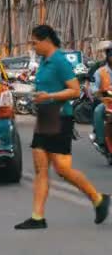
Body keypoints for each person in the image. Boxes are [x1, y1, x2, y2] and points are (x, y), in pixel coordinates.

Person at [15, 25, 110, 230]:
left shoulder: (59, 61)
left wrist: (49, 96)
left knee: (62, 169)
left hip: (60, 118)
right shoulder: (43, 62)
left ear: (46, 40)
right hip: (45, 117)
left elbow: (75, 91)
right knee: (41, 168)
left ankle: (98, 198)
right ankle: (37, 216)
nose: (33, 46)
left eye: (35, 42)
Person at [90, 41, 112, 149]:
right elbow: (93, 85)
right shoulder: (100, 71)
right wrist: (96, 91)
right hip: (107, 102)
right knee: (98, 111)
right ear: (108, 56)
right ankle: (101, 140)